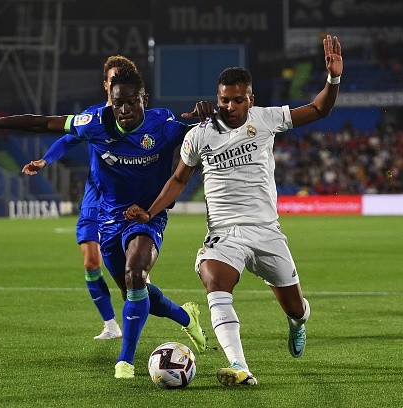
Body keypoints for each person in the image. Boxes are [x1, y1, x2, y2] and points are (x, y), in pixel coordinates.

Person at [0, 67, 207, 379]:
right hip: (109, 218)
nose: (124, 110)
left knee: (137, 274)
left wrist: (207, 117)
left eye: (132, 103)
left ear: (144, 100)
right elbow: (43, 123)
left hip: (146, 216)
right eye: (117, 104)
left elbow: (206, 134)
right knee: (133, 293)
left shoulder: (164, 125)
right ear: (110, 102)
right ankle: (185, 315)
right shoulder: (95, 122)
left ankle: (125, 362)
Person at [124, 34, 343, 386]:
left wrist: (332, 79)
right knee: (213, 278)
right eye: (224, 100)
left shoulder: (268, 119)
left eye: (237, 100)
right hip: (225, 233)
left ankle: (298, 322)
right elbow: (179, 180)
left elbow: (320, 109)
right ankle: (240, 367)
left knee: (295, 307)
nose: (229, 107)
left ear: (250, 100)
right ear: (218, 98)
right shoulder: (200, 135)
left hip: (266, 230)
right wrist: (150, 212)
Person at [78, 55, 140, 340]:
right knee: (91, 261)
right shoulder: (93, 117)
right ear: (106, 84)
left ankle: (173, 313)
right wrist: (44, 160)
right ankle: (111, 325)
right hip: (95, 196)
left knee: (130, 277)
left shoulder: (138, 119)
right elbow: (64, 136)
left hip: (123, 200)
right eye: (112, 80)